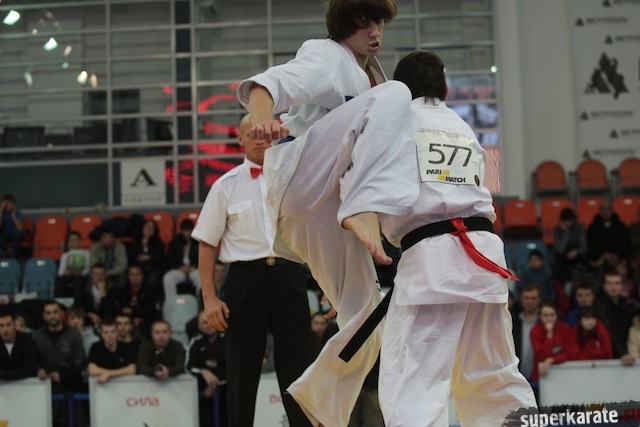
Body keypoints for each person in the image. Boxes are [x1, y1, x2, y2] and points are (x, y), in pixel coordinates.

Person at [334, 51, 535, 426]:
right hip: (485, 259)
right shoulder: (462, 128)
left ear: (399, 90)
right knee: (494, 373)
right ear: (444, 88)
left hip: (433, 264)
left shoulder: (396, 124)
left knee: (414, 381)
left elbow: (361, 182)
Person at [236, 1, 411, 424]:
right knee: (398, 93)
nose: (375, 32)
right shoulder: (327, 54)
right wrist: (261, 120)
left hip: (321, 212)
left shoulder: (370, 74)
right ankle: (364, 207)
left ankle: (316, 408)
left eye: (379, 22)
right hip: (303, 176)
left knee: (367, 320)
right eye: (364, 23)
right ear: (344, 24)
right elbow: (267, 85)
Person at [193, 114, 313, 427]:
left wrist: (329, 284)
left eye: (264, 134)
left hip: (289, 275)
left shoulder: (295, 181)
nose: (260, 140)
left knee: (299, 368)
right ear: (241, 140)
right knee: (241, 370)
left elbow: (315, 234)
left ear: (275, 137)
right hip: (245, 281)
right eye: (253, 134)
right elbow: (206, 244)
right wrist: (209, 298)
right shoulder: (225, 186)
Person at [32, 301, 87, 427]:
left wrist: (62, 375)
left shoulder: (74, 334)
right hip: (45, 389)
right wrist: (38, 369)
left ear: (62, 314)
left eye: (55, 312)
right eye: (48, 313)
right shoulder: (37, 336)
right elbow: (32, 360)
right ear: (44, 316)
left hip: (71, 389)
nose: (52, 316)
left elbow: (80, 360)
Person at [186, 310, 227, 427]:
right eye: (204, 322)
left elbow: (232, 367)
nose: (209, 324)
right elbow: (189, 366)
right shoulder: (196, 341)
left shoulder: (227, 340)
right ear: (199, 325)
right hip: (203, 392)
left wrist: (216, 384)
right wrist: (203, 371)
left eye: (211, 320)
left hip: (226, 390)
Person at [595, 270, 635, 364]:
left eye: (617, 283)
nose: (613, 287)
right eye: (610, 283)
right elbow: (609, 331)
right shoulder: (599, 306)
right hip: (610, 356)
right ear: (604, 286)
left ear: (622, 286)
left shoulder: (626, 304)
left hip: (626, 352)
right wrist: (623, 353)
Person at [530, 302, 570, 382]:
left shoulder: (565, 328)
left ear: (557, 315)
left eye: (552, 315)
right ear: (540, 316)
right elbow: (541, 355)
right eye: (545, 315)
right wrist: (549, 334)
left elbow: (569, 353)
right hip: (541, 375)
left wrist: (551, 360)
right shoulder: (535, 331)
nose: (549, 318)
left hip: (562, 372)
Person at [116, 264, 159, 338]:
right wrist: (132, 319)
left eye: (137, 274)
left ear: (142, 276)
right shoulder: (123, 290)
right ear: (128, 276)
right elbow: (123, 308)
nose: (135, 278)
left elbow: (150, 308)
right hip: (127, 320)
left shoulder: (150, 290)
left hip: (145, 320)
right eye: (132, 275)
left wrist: (133, 311)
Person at [87, 318, 136, 383]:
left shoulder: (126, 347)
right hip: (101, 384)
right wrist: (114, 373)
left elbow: (132, 370)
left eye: (113, 332)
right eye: (106, 332)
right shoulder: (96, 347)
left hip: (123, 384)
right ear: (101, 334)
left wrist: (109, 374)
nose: (110, 335)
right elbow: (92, 370)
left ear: (117, 333)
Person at [511, 283, 542, 384]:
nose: (529, 301)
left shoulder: (544, 321)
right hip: (517, 375)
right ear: (521, 299)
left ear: (539, 300)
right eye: (526, 298)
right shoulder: (513, 321)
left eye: (533, 298)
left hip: (541, 376)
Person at [586, 200, 630, 272]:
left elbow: (625, 243)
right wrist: (604, 254)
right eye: (603, 209)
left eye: (608, 208)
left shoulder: (620, 226)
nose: (606, 211)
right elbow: (591, 245)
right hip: (600, 258)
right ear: (600, 211)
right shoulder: (593, 227)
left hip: (618, 258)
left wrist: (617, 255)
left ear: (612, 210)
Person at [163, 219, 200, 300]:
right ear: (182, 231)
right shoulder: (175, 242)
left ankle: (200, 304)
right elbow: (169, 260)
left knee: (201, 278)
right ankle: (171, 303)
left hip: (194, 269)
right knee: (168, 278)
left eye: (189, 230)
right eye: (185, 231)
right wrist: (178, 267)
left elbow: (202, 259)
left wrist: (194, 266)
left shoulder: (197, 242)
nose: (187, 233)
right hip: (179, 269)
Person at [0, 308, 39, 380]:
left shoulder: (27, 341)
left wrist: (3, 374)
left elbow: (29, 369)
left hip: (26, 384)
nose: (5, 329)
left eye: (8, 325)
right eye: (1, 326)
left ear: (14, 325)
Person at [551, 207, 587, 285]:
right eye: (566, 221)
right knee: (557, 259)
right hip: (563, 255)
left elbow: (584, 245)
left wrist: (577, 252)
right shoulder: (557, 230)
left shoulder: (579, 227)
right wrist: (566, 233)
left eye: (571, 221)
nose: (569, 223)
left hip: (577, 253)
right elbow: (560, 249)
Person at [127, 218, 166, 291]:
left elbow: (160, 257)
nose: (149, 229)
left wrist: (149, 257)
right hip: (138, 266)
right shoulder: (136, 241)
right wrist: (138, 258)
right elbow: (131, 255)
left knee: (152, 279)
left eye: (151, 227)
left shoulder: (158, 242)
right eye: (147, 226)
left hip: (153, 267)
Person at [55, 231, 91, 298]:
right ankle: (59, 300)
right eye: (71, 240)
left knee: (79, 280)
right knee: (59, 281)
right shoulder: (65, 255)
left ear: (80, 240)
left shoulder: (86, 253)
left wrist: (80, 273)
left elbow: (88, 269)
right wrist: (66, 273)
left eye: (75, 239)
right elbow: (60, 272)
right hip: (68, 276)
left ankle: (78, 301)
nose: (73, 242)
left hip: (81, 276)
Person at [0, 193, 26, 258]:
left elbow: (20, 228)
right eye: (5, 204)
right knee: (1, 236)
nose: (7, 206)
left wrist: (13, 214)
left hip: (17, 234)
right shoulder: (3, 214)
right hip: (6, 233)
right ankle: (1, 252)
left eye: (9, 204)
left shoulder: (17, 213)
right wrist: (0, 210)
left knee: (17, 234)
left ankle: (13, 252)